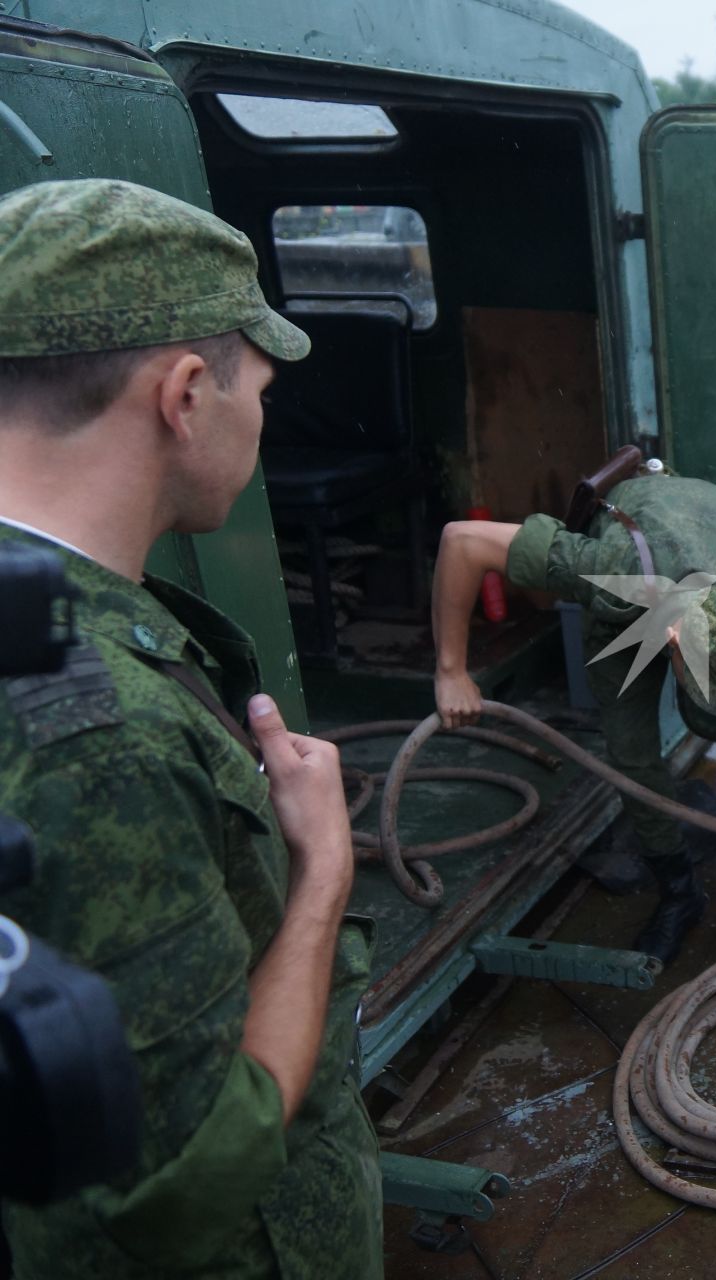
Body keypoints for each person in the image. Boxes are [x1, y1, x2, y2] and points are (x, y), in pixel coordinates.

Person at [0, 180, 379, 1276]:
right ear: (186, 394)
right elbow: (194, 1181)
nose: (263, 417)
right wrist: (322, 872)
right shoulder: (93, 732)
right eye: (258, 385)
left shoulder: (59, 623)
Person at [433, 473, 716, 971]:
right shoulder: (609, 569)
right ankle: (678, 893)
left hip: (712, 527)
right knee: (631, 751)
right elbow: (462, 540)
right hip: (633, 602)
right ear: (674, 641)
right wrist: (452, 671)